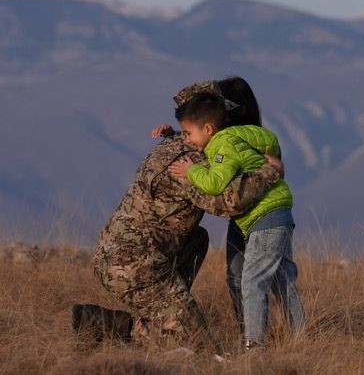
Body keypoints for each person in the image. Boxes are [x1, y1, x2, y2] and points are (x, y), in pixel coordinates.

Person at [92, 81, 284, 353]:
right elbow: (229, 202)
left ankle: (141, 315)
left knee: (197, 238)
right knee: (200, 348)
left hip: (131, 255)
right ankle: (115, 325)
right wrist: (268, 172)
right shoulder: (190, 160)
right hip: (132, 264)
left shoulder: (180, 145)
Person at [167, 90, 305, 349]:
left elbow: (216, 183)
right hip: (278, 212)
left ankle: (253, 346)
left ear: (208, 129)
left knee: (252, 281)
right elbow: (266, 146)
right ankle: (302, 338)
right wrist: (168, 134)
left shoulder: (222, 145)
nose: (187, 140)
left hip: (264, 218)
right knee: (283, 280)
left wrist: (191, 170)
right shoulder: (236, 138)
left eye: (188, 133)